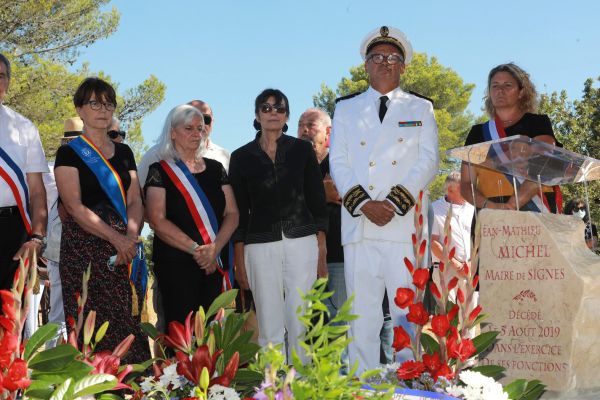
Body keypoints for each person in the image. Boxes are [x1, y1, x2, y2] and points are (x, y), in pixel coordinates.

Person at [329, 26, 439, 373]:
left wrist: (393, 202)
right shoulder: (346, 109)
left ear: (403, 67)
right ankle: (362, 383)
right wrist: (365, 204)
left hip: (404, 225)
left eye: (393, 58)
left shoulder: (420, 107)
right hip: (361, 225)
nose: (385, 63)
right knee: (361, 315)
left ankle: (411, 383)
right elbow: (339, 162)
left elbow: (428, 160)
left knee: (408, 315)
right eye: (377, 57)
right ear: (366, 65)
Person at [54, 77, 149, 363]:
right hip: (84, 252)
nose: (103, 109)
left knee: (126, 325)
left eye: (108, 103)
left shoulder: (124, 152)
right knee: (87, 326)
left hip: (125, 254)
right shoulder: (69, 153)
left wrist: (130, 239)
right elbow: (73, 206)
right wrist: (117, 239)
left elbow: (134, 199)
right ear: (80, 109)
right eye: (94, 103)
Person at [229, 89, 328, 360]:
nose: (273, 113)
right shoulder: (240, 157)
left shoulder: (302, 150)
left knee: (301, 321)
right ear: (257, 115)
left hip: (302, 241)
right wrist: (239, 258)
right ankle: (272, 387)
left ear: (287, 115)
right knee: (269, 324)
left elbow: (317, 201)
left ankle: (302, 386)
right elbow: (237, 210)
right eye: (266, 107)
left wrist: (322, 249)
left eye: (279, 108)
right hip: (259, 245)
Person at [144, 104, 238, 325]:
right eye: (189, 128)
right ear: (172, 133)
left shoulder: (217, 169)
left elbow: (232, 213)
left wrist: (214, 249)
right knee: (181, 335)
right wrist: (197, 250)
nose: (197, 134)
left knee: (214, 336)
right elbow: (157, 220)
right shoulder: (159, 171)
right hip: (176, 266)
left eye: (200, 128)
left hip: (213, 263)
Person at [460, 63, 560, 214]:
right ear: (489, 93)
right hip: (490, 212)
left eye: (507, 85)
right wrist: (491, 206)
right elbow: (466, 185)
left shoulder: (537, 123)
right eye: (495, 86)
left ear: (521, 92)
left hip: (536, 210)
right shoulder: (478, 132)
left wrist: (512, 205)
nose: (500, 90)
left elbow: (543, 163)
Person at [0, 52, 48, 299]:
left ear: (7, 82)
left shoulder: (24, 128)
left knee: (11, 317)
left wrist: (38, 237)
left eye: (1, 76)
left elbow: (37, 190)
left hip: (13, 229)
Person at [44, 117, 84, 348]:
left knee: (60, 311)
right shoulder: (54, 169)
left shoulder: (50, 168)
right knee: (60, 312)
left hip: (67, 245)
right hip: (60, 246)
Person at [430, 171, 475, 301]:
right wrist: (456, 265)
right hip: (446, 270)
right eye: (463, 188)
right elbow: (432, 243)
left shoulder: (472, 208)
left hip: (470, 270)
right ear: (450, 189)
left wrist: (471, 264)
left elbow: (478, 238)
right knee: (449, 317)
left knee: (469, 316)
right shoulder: (434, 209)